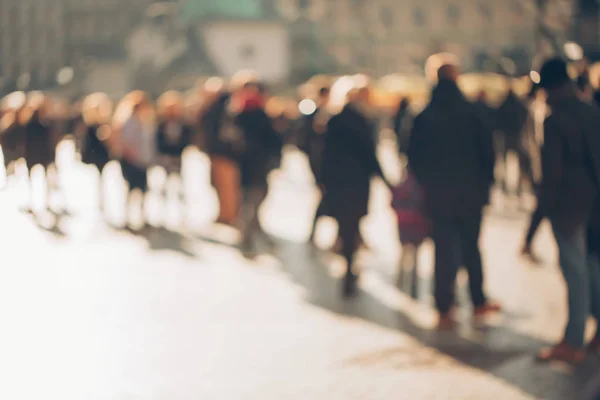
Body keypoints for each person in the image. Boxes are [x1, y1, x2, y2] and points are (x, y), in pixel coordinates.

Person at [407, 64, 500, 329]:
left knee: (443, 248)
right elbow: (488, 152)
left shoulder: (424, 114)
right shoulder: (472, 112)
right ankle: (478, 300)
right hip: (471, 192)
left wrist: (428, 184)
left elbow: (412, 156)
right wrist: (485, 185)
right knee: (472, 246)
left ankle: (444, 305)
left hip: (438, 194)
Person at [535, 57, 600, 363]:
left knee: (575, 272)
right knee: (589, 268)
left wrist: (535, 223)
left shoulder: (554, 118)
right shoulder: (589, 109)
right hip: (593, 204)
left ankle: (572, 342)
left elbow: (552, 177)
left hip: (568, 208)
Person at [321, 81, 390, 296]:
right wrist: (385, 180)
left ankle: (348, 264)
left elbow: (323, 154)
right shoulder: (361, 121)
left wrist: (322, 180)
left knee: (346, 225)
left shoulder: (333, 119)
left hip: (338, 182)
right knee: (351, 224)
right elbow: (369, 154)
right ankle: (349, 267)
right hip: (356, 183)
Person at [235, 83, 282, 256]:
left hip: (251, 164)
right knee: (252, 197)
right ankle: (248, 233)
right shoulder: (253, 115)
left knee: (251, 198)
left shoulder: (240, 114)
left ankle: (251, 229)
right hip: (255, 163)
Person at [297, 86, 331, 244]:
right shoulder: (313, 112)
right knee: (324, 195)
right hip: (319, 162)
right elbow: (304, 139)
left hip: (323, 161)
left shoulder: (327, 113)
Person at [119, 97, 156, 229]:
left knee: (143, 190)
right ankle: (128, 218)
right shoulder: (130, 122)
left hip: (143, 160)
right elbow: (127, 143)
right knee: (131, 190)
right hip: (132, 161)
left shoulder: (146, 122)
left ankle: (142, 216)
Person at [155, 91, 193, 209]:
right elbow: (157, 139)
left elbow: (188, 138)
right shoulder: (160, 123)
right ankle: (163, 208)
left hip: (178, 155)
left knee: (180, 182)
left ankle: (182, 208)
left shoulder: (183, 123)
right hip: (165, 156)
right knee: (164, 183)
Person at [21, 93, 58, 212]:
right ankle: (37, 202)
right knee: (35, 179)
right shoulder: (36, 122)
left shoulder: (44, 122)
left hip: (39, 154)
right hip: (37, 153)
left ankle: (44, 202)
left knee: (41, 179)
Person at [496, 83, 533, 196]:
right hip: (516, 135)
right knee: (519, 162)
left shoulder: (504, 104)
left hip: (507, 135)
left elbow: (498, 117)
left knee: (504, 161)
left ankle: (506, 185)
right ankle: (518, 186)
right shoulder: (518, 104)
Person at [79, 93, 113, 212]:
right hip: (94, 154)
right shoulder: (90, 125)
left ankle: (101, 202)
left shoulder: (105, 123)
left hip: (102, 154)